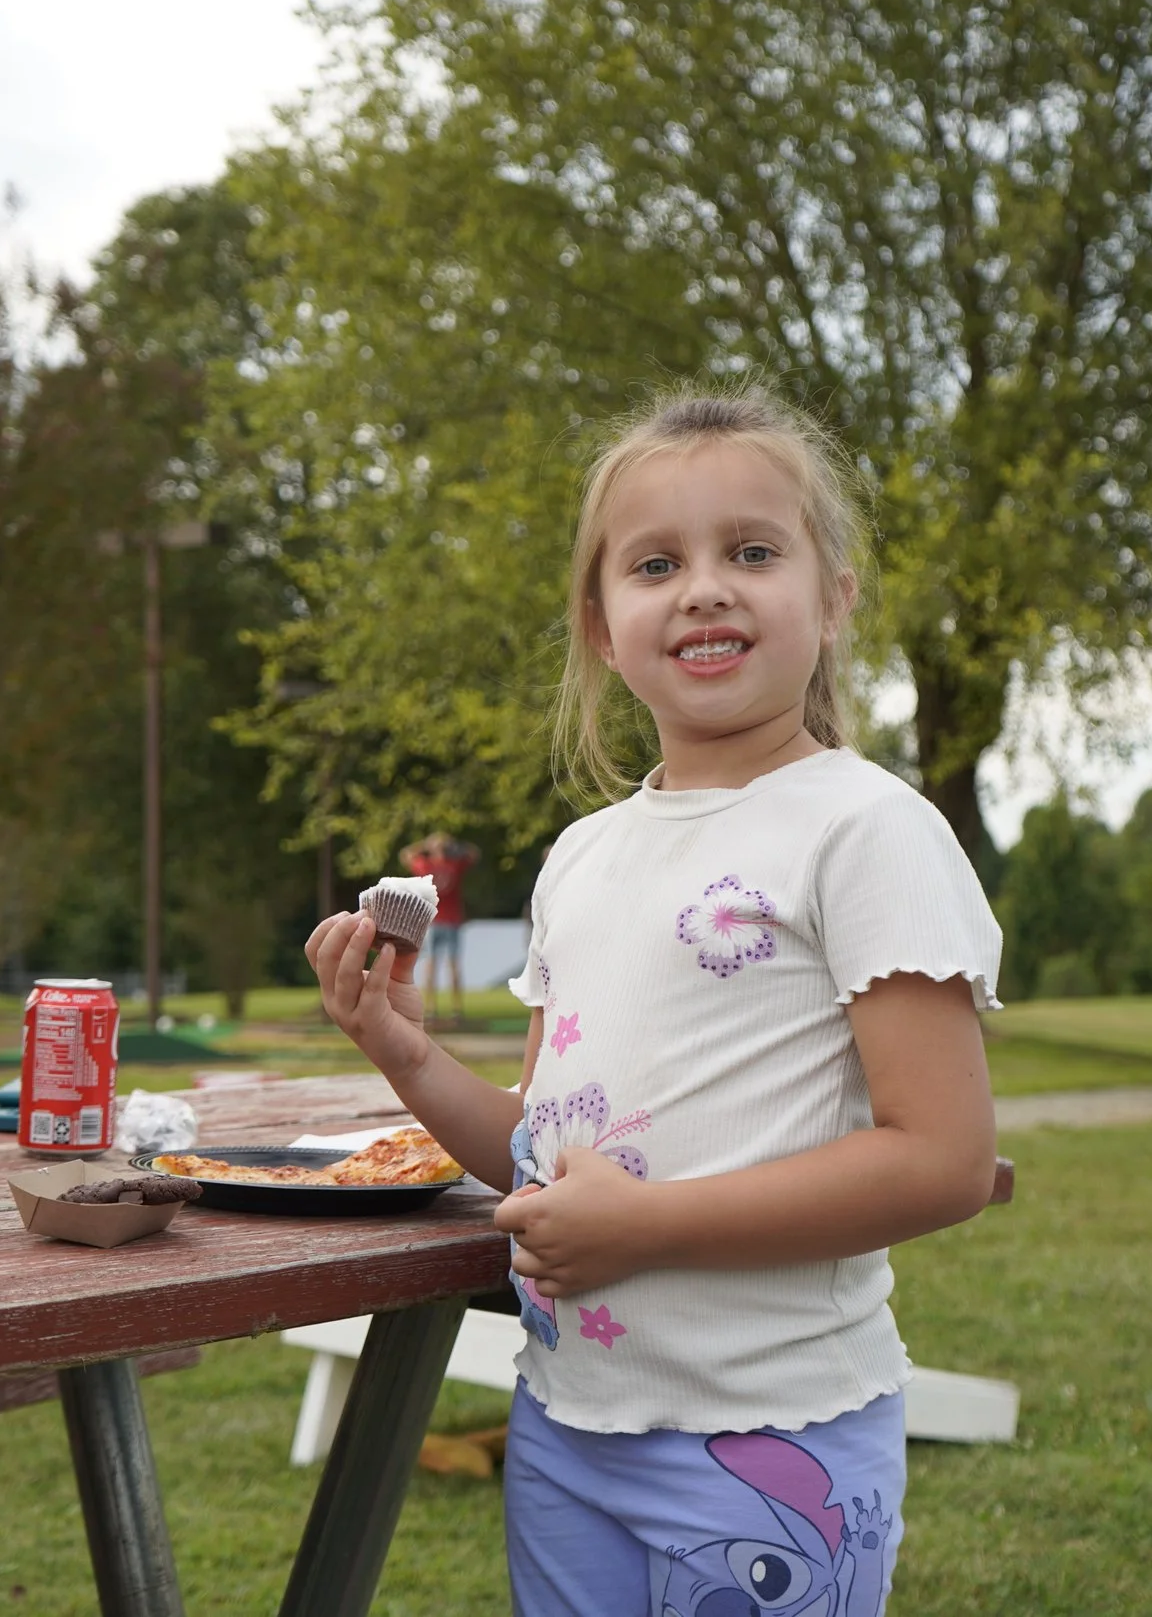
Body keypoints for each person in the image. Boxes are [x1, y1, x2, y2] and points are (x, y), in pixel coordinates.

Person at [306, 390, 1002, 1615]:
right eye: (655, 563)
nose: (704, 588)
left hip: (767, 1443)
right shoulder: (580, 855)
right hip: (567, 1428)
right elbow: (543, 1151)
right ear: (601, 624)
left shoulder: (868, 828)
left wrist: (649, 1226)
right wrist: (400, 1048)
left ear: (833, 595)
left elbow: (944, 1161)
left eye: (751, 550)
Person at [401, 829, 480, 1024]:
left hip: (434, 921)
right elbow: (474, 853)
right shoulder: (454, 865)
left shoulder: (425, 866)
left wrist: (425, 844)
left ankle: (432, 1008)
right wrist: (454, 843)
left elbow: (405, 855)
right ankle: (455, 1009)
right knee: (451, 966)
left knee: (432, 966)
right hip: (450, 921)